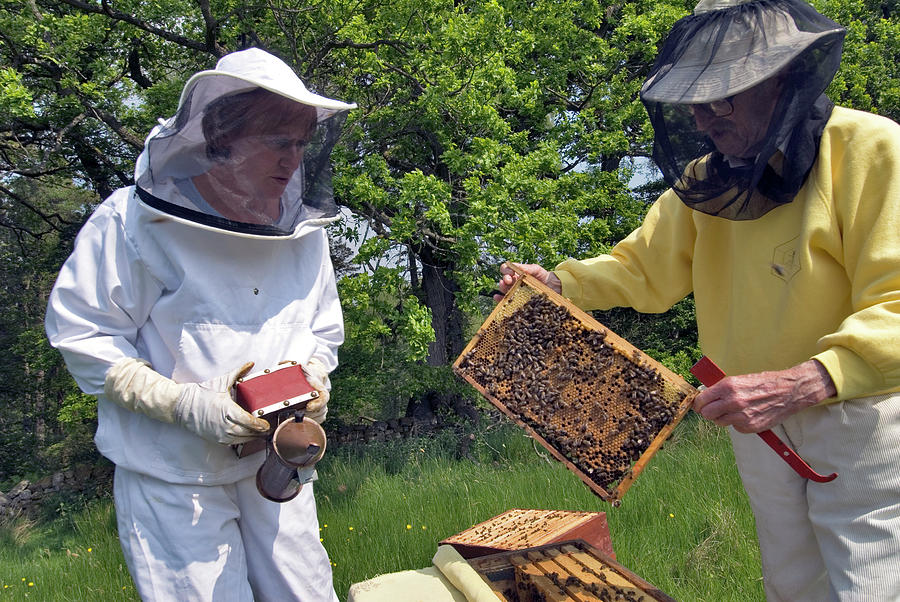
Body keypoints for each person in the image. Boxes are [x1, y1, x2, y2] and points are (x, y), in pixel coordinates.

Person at [496, 0, 900, 600]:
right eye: (696, 100)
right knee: (791, 589)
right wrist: (561, 284)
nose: (706, 118)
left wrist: (808, 379)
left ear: (781, 77)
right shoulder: (709, 182)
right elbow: (641, 267)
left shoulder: (869, 148)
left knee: (867, 589)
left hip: (853, 415)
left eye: (725, 96)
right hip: (758, 428)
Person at [45, 47, 356, 601]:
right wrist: (179, 403)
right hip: (175, 482)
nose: (293, 159)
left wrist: (315, 376)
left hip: (279, 466)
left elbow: (321, 330)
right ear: (222, 137)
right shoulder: (134, 220)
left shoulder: (303, 233)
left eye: (302, 144)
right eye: (278, 141)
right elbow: (82, 333)